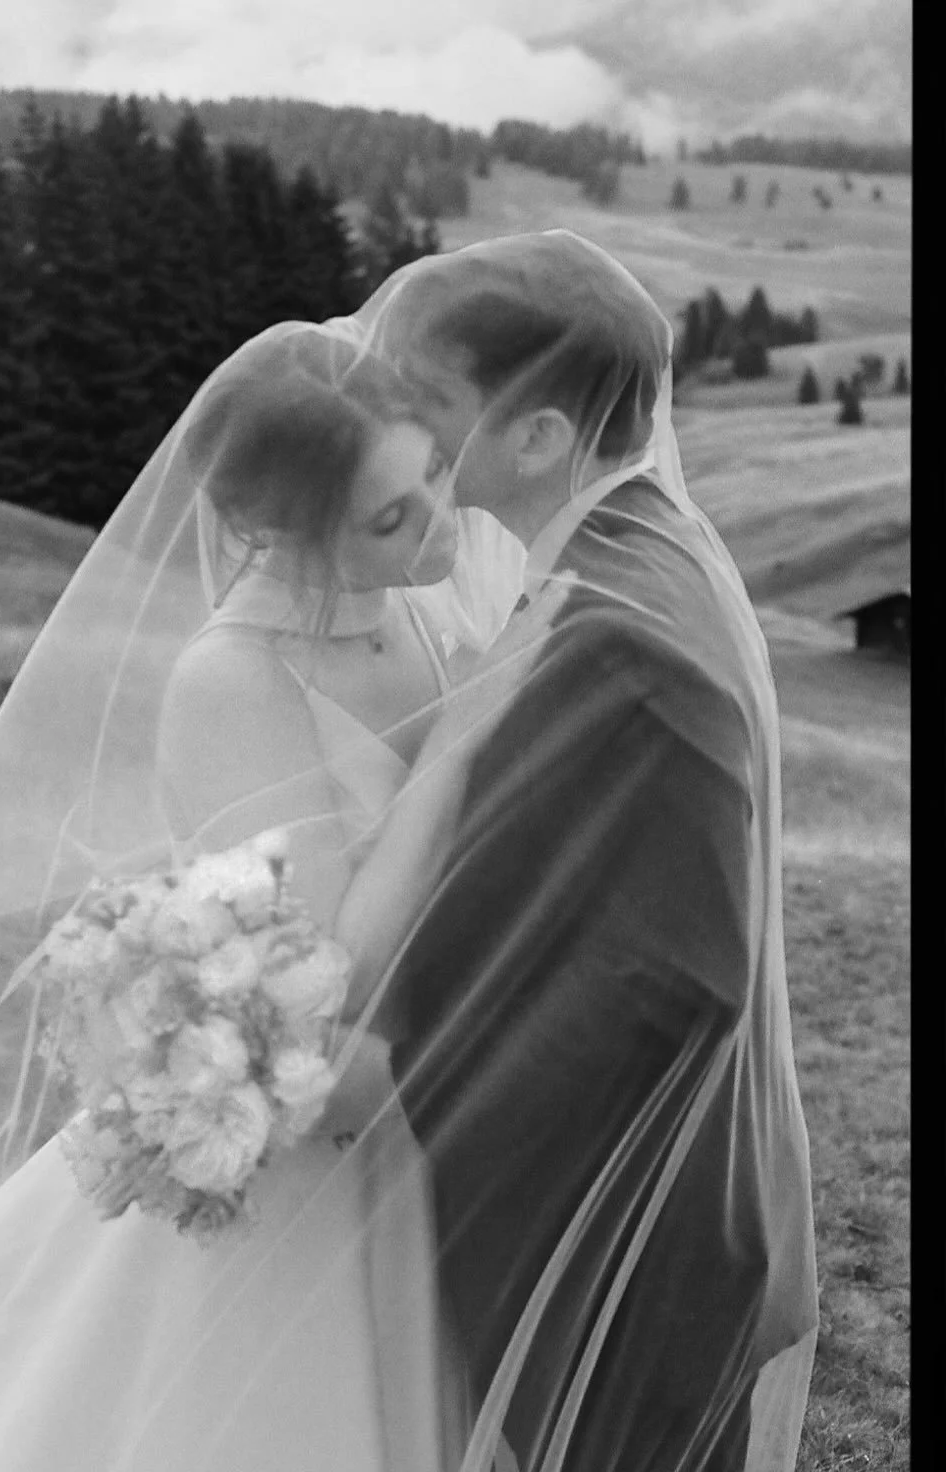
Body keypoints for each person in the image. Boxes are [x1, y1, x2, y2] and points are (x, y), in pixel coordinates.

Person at [0, 323, 528, 1472]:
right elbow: (332, 970)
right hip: (322, 1140)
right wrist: (466, 733)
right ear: (280, 529)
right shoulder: (230, 680)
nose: (439, 522)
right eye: (388, 516)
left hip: (435, 1082)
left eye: (433, 470)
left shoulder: (419, 604)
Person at [355, 231, 819, 1471]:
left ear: (541, 436)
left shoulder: (614, 631)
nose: (397, 427)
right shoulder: (646, 548)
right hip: (670, 1196)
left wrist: (385, 1069)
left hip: (629, 1234)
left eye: (434, 400)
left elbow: (676, 964)